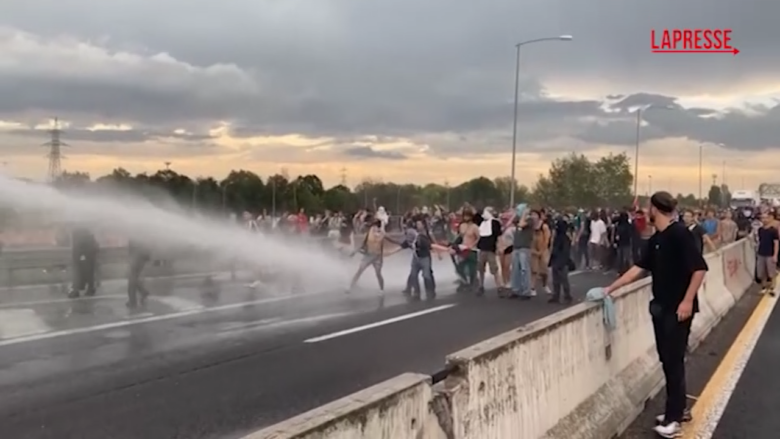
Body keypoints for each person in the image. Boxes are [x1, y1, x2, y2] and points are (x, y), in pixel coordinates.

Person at [603, 192, 707, 438]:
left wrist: (687, 301)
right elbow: (638, 269)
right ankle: (678, 409)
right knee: (667, 360)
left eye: (649, 207)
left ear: (656, 209)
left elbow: (700, 269)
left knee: (673, 361)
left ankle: (674, 419)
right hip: (660, 308)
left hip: (678, 310)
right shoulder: (657, 239)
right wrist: (609, 289)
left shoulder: (679, 234)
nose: (646, 211)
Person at [347, 214, 396, 298]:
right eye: (373, 226)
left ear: (378, 227)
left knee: (378, 273)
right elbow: (363, 244)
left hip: (377, 257)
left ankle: (381, 289)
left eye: (375, 226)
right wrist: (355, 252)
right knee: (360, 270)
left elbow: (391, 239)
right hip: (368, 255)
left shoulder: (382, 234)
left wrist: (402, 244)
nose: (374, 228)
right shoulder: (369, 232)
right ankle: (351, 287)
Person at [401, 218, 437, 300]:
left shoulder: (426, 234)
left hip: (425, 257)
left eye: (419, 224)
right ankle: (416, 291)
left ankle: (430, 290)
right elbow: (405, 243)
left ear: (423, 225)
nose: (417, 226)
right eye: (417, 224)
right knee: (413, 274)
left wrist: (438, 252)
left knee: (427, 275)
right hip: (416, 257)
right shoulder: (415, 234)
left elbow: (431, 244)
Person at [476, 207, 505, 296]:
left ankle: (499, 287)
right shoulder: (481, 223)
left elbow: (499, 236)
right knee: (481, 268)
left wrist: (500, 247)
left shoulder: (495, 223)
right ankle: (481, 286)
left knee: (494, 269)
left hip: (491, 249)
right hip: (481, 249)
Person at [68, 225, 99, 299]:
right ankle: (89, 288)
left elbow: (78, 247)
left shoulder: (78, 234)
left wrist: (81, 256)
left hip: (82, 257)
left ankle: (77, 290)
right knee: (88, 274)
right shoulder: (89, 235)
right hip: (88, 256)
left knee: (79, 273)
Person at [548, 218, 573, 304]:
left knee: (563, 280)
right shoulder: (561, 238)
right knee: (557, 280)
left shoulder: (563, 238)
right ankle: (557, 296)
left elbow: (565, 252)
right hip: (557, 261)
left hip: (561, 262)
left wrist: (559, 262)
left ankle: (567, 296)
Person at [755, 211, 779, 296]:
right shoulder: (760, 230)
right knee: (761, 273)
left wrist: (775, 255)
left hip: (770, 254)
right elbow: (759, 241)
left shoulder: (773, 230)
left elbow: (776, 243)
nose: (764, 220)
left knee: (771, 273)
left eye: (766, 218)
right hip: (761, 253)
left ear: (769, 219)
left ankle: (773, 288)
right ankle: (764, 287)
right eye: (762, 218)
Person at [127, 239, 151, 311]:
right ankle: (143, 292)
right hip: (139, 255)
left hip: (138, 255)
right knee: (133, 278)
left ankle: (132, 301)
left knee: (132, 278)